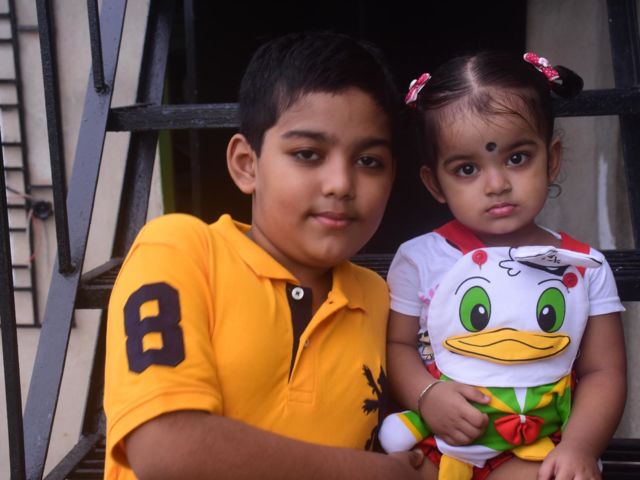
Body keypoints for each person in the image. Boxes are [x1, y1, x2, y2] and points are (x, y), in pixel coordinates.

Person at [103, 32, 423, 480]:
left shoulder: (377, 297)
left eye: (369, 161)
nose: (341, 184)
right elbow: (167, 447)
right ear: (246, 164)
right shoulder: (182, 250)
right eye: (308, 154)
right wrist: (377, 474)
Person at [381, 51, 627, 480]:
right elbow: (397, 345)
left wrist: (580, 448)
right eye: (467, 168)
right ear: (435, 183)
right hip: (439, 446)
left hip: (535, 452)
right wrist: (426, 395)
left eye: (517, 158)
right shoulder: (420, 259)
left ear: (551, 158)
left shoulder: (584, 267)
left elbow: (603, 371)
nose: (496, 184)